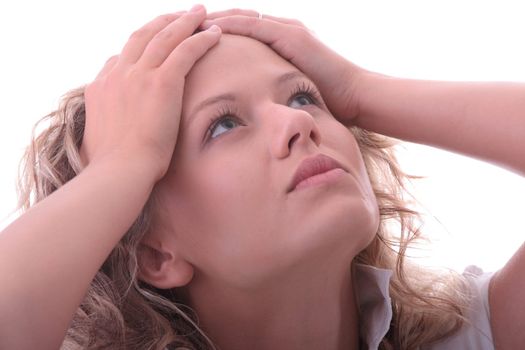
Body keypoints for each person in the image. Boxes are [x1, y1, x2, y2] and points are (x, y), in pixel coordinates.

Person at [0, 4, 523, 350]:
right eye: (224, 125)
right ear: (156, 253)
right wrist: (123, 163)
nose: (296, 122)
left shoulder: (473, 335)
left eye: (303, 97)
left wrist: (362, 90)